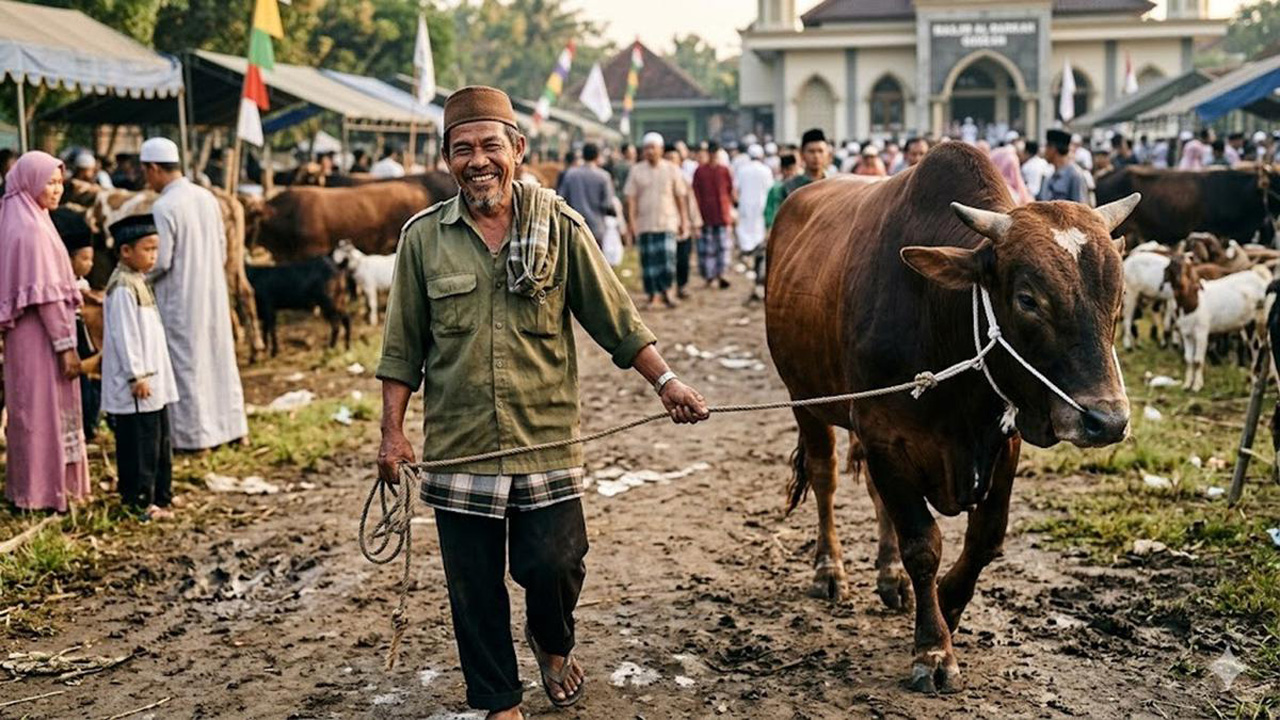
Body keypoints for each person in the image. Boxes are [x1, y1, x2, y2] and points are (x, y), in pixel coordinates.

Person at [375, 85, 709, 720]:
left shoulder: (558, 226)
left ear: (518, 150)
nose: (478, 160)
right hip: (461, 444)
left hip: (546, 437)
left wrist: (667, 383)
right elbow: (401, 349)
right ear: (448, 160)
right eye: (463, 149)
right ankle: (498, 700)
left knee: (557, 563)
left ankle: (552, 643)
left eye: (490, 146)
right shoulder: (423, 240)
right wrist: (392, 433)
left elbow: (617, 320)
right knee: (472, 588)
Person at [140, 137, 248, 451]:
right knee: (219, 357)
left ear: (155, 168)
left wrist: (139, 275)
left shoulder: (164, 206)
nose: (147, 179)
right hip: (213, 293)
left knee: (185, 365)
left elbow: (162, 260)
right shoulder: (206, 198)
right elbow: (222, 247)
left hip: (180, 298)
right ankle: (232, 428)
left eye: (147, 171)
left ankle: (194, 439)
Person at [0, 151, 91, 512]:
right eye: (49, 183)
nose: (57, 190)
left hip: (25, 338)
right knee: (44, 412)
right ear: (30, 182)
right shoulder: (32, 229)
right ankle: (46, 492)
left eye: (59, 182)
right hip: (42, 338)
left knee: (27, 409)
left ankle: (29, 488)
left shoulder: (19, 217)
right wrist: (66, 346)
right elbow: (48, 296)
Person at [101, 214, 178, 519]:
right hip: (138, 384)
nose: (153, 256)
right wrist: (137, 375)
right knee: (140, 444)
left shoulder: (138, 281)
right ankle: (140, 500)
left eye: (155, 250)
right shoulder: (121, 287)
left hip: (153, 381)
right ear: (125, 251)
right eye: (147, 250)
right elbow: (125, 335)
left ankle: (162, 494)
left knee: (159, 439)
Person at [624, 132, 689, 308]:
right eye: (647, 148)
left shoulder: (672, 169)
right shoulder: (636, 170)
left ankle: (668, 292)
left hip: (668, 222)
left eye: (653, 147)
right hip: (645, 223)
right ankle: (653, 296)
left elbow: (680, 197)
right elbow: (631, 199)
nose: (650, 151)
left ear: (660, 149)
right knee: (649, 263)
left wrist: (684, 220)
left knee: (668, 260)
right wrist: (631, 223)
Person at [53, 210, 102, 441]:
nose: (90, 264)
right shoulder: (61, 284)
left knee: (91, 381)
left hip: (83, 337)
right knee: (80, 381)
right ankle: (84, 426)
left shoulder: (82, 283)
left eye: (91, 259)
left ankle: (91, 425)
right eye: (84, 259)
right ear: (68, 259)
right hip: (72, 338)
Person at [691, 141, 736, 290]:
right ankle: (710, 276)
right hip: (706, 215)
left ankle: (722, 274)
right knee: (708, 249)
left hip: (722, 214)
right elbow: (695, 194)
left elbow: (730, 191)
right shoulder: (700, 171)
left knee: (723, 247)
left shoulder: (724, 170)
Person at [663, 144, 701, 299]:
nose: (671, 162)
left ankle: (682, 285)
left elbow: (691, 202)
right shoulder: (661, 178)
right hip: (666, 224)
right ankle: (668, 288)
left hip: (683, 224)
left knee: (683, 258)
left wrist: (695, 223)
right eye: (668, 159)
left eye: (674, 159)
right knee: (668, 260)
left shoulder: (684, 178)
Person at [557, 143, 614, 247]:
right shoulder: (604, 177)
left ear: (582, 156)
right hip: (597, 227)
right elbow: (607, 204)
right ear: (597, 156)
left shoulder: (571, 174)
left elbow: (561, 198)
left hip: (574, 226)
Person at [736, 144, 773, 303]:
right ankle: (754, 259)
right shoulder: (766, 170)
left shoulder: (743, 170)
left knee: (747, 233)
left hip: (745, 206)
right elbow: (771, 189)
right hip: (761, 206)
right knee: (758, 235)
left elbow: (736, 189)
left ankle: (748, 256)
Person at [1038, 129, 1089, 203]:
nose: (1044, 151)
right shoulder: (1050, 175)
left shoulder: (1075, 175)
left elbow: (1080, 209)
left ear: (1053, 149)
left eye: (1046, 147)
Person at [780, 128, 830, 200]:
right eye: (811, 151)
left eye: (820, 151)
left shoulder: (835, 184)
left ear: (827, 154)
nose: (816, 156)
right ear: (802, 154)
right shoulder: (790, 187)